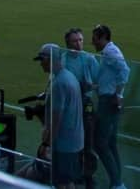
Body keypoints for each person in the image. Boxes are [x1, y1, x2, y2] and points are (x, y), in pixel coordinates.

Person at [35, 43, 85, 189]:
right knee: (67, 180)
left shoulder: (59, 84)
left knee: (62, 183)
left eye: (41, 60)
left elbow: (56, 120)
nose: (40, 64)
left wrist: (46, 144)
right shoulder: (68, 77)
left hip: (65, 144)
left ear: (49, 59)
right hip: (74, 141)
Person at [87, 23, 130, 189]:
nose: (93, 42)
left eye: (95, 39)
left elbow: (125, 71)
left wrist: (118, 95)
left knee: (100, 143)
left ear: (103, 37)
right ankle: (117, 182)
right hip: (108, 98)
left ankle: (117, 183)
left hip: (108, 101)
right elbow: (111, 76)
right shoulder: (109, 51)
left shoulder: (111, 52)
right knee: (111, 142)